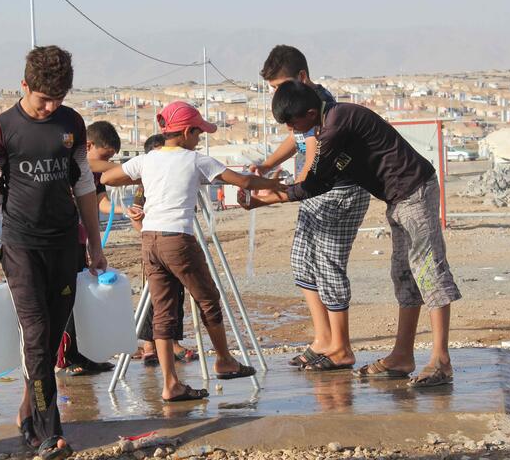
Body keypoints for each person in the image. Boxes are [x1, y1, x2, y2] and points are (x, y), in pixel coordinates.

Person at [246, 80, 461, 387]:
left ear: (309, 112)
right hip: (399, 198)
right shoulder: (330, 121)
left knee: (428, 272)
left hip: (414, 192)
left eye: (293, 124)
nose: (292, 131)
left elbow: (312, 185)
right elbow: (319, 183)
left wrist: (263, 197)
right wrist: (267, 195)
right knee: (404, 276)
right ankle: (402, 356)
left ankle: (441, 360)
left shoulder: (335, 127)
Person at [0, 45, 106, 459]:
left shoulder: (72, 124)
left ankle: (27, 409)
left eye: (58, 99)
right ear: (24, 86)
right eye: (43, 98)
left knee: (50, 341)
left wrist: (95, 245)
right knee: (35, 334)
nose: (50, 107)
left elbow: (83, 185)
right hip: (20, 246)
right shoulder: (1, 129)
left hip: (65, 244)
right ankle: (49, 432)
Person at [102, 101, 282, 402]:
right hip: (178, 239)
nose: (199, 139)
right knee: (208, 298)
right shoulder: (196, 160)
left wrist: (148, 178)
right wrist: (274, 182)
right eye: (198, 134)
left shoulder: (147, 160)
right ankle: (224, 360)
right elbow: (245, 181)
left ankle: (171, 383)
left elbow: (107, 178)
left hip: (149, 239)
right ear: (186, 132)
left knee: (163, 311)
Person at [250, 45, 371, 371]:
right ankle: (323, 339)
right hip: (314, 193)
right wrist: (266, 165)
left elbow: (309, 172)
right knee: (303, 263)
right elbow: (297, 142)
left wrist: (268, 195)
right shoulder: (300, 109)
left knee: (328, 266)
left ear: (302, 78)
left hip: (337, 193)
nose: (279, 94)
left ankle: (341, 347)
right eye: (274, 90)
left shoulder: (320, 109)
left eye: (280, 86)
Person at [57, 121, 124, 376]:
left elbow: (102, 203)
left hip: (80, 240)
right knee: (67, 300)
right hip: (64, 239)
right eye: (105, 155)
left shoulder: (96, 173)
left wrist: (124, 210)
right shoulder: (75, 163)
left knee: (80, 298)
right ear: (88, 145)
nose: (107, 162)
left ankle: (82, 354)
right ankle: (65, 357)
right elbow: (92, 164)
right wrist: (126, 168)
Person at [128, 133, 197, 367]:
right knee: (154, 299)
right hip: (156, 244)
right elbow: (135, 215)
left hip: (173, 241)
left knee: (175, 295)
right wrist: (148, 237)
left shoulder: (177, 175)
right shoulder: (146, 182)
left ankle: (172, 342)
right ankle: (150, 345)